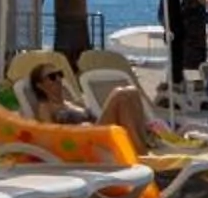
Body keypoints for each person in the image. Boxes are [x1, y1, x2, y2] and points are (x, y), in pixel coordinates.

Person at [23, 59, 154, 155]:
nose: (58, 79)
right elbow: (50, 137)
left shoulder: (72, 102)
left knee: (132, 92)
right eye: (52, 77)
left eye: (59, 74)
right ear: (40, 85)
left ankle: (141, 147)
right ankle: (141, 153)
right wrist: (76, 130)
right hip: (87, 142)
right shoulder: (45, 107)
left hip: (96, 132)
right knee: (120, 94)